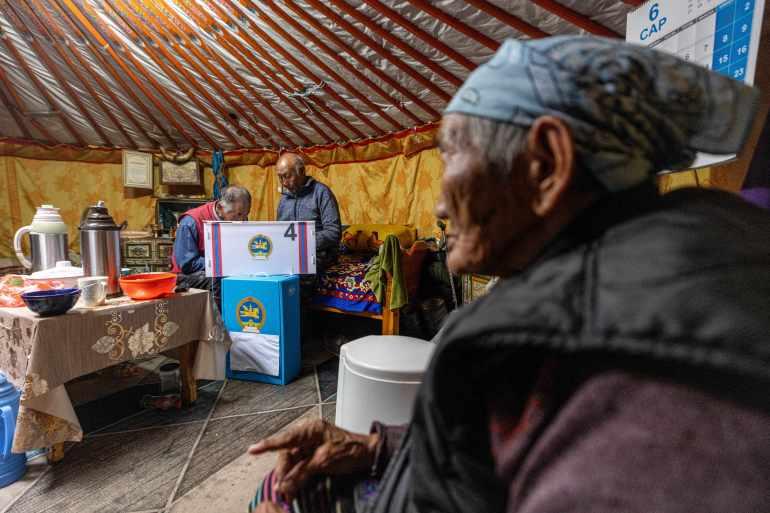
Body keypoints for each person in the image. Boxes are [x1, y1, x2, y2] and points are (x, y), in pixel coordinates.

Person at [248, 36, 770, 513]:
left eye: (452, 157)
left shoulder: (639, 390)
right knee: (285, 483)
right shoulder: (591, 286)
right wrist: (378, 446)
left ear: (545, 165)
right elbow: (501, 444)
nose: (437, 205)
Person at [171, 185, 251, 308]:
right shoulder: (191, 222)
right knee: (220, 277)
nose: (242, 221)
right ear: (220, 207)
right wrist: (223, 263)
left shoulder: (239, 220)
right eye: (238, 215)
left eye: (245, 215)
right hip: (186, 276)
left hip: (222, 268)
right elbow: (187, 263)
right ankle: (219, 324)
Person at [276, 153, 342, 272]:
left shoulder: (321, 193)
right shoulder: (283, 200)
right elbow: (280, 231)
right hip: (291, 253)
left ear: (301, 171)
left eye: (287, 176)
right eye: (280, 177)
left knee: (300, 268)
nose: (284, 183)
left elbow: (334, 232)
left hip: (320, 253)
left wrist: (304, 243)